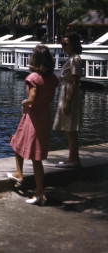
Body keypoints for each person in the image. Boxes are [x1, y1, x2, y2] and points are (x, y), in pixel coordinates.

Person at [7, 45, 59, 205]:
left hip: (33, 118)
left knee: (36, 157)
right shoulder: (53, 78)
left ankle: (39, 193)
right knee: (17, 142)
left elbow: (32, 97)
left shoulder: (33, 78)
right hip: (44, 116)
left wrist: (24, 102)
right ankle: (19, 173)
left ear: (35, 59)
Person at [53, 33, 84, 168]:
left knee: (71, 128)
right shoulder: (71, 58)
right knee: (69, 128)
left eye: (65, 44)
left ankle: (73, 159)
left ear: (73, 44)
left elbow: (75, 82)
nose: (63, 46)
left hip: (70, 94)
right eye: (62, 44)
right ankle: (72, 157)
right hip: (67, 92)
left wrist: (68, 101)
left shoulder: (75, 60)